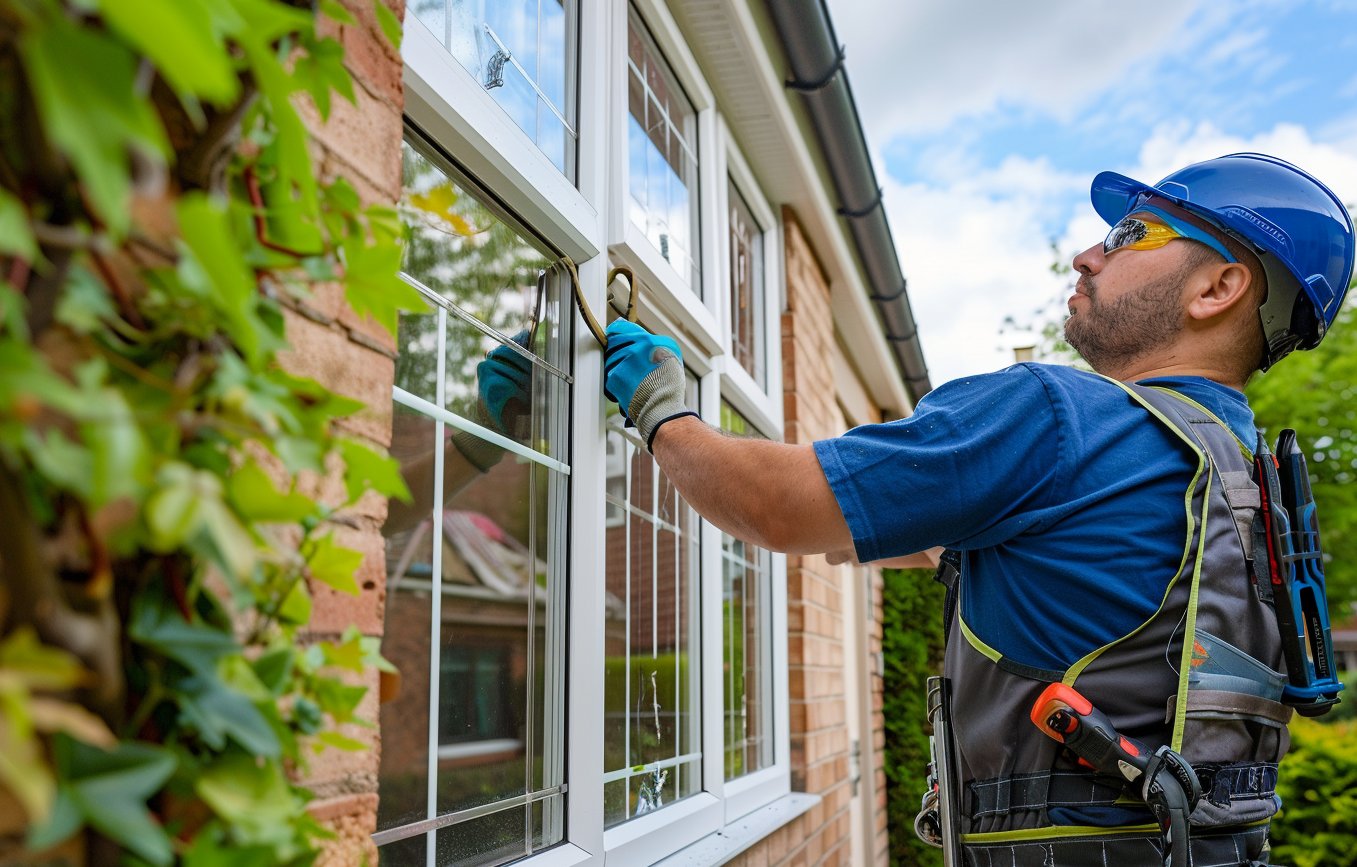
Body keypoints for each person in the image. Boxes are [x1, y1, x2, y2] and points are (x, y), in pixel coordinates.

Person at [600, 153, 1355, 865]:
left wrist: (659, 408)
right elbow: (1061, 568)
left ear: (1217, 289)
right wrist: (888, 522)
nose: (1085, 256)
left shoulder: (1054, 415)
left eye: (1130, 234)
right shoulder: (1244, 482)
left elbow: (776, 506)